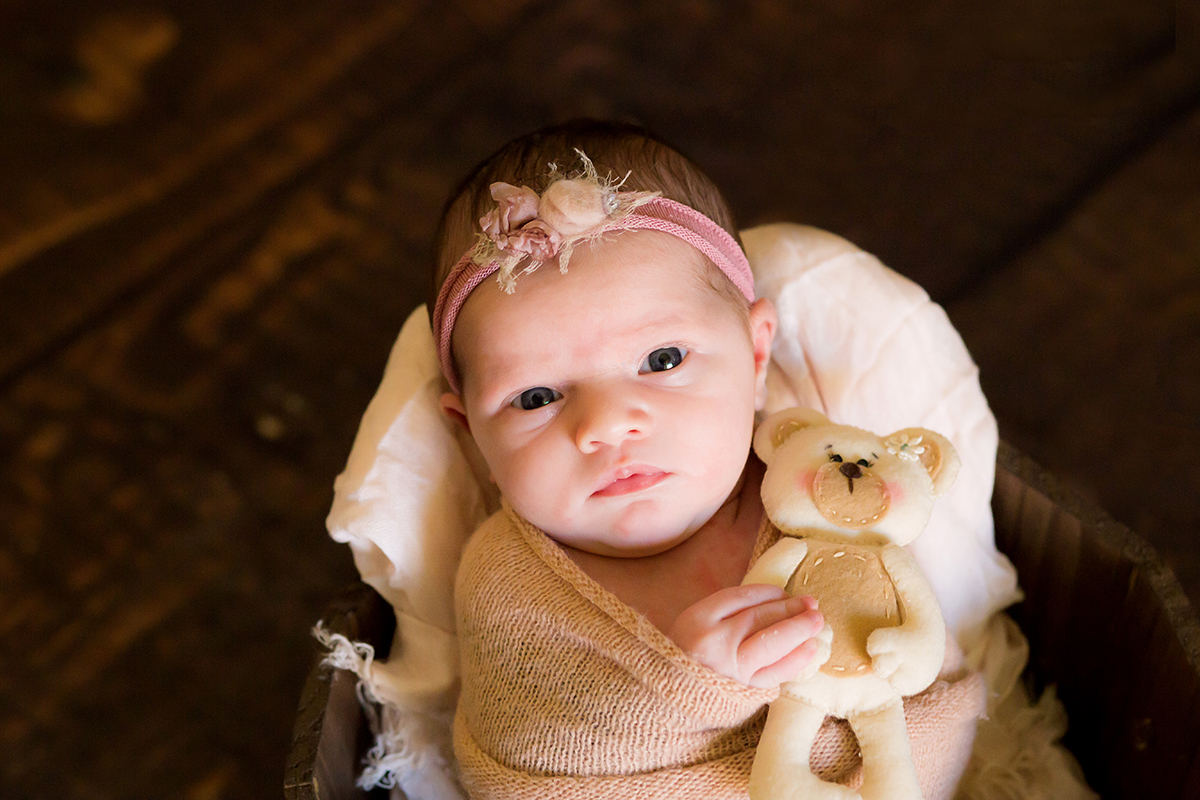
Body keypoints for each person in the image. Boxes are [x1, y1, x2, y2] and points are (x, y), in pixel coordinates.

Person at [429, 119, 980, 799]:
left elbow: (932, 697)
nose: (606, 426)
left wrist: (901, 664)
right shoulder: (506, 581)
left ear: (755, 357)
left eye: (661, 360)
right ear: (468, 435)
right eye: (535, 396)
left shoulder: (818, 487)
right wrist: (690, 690)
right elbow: (524, 769)